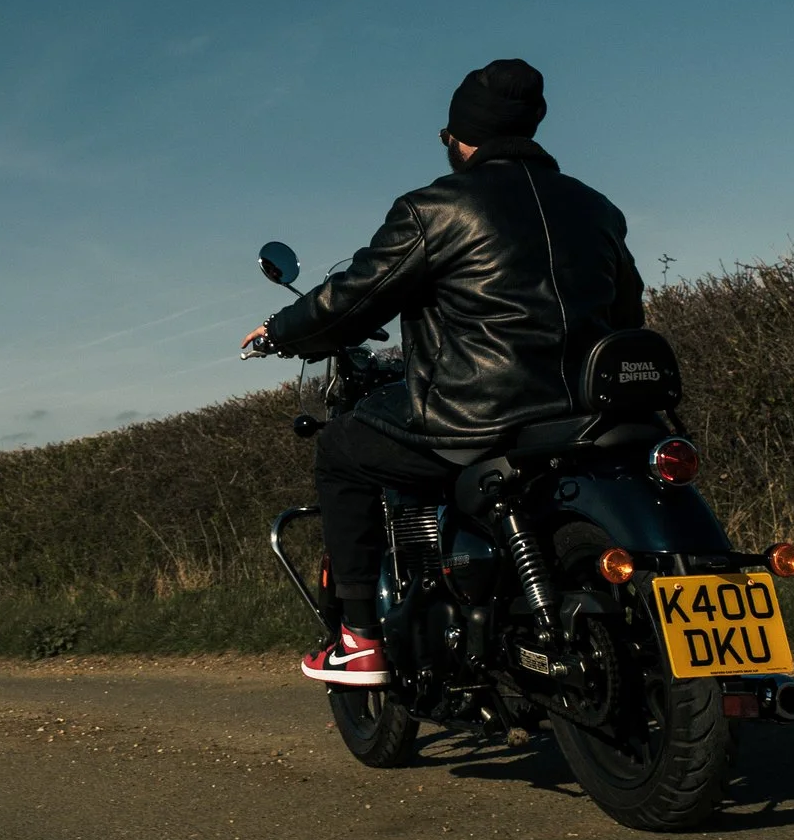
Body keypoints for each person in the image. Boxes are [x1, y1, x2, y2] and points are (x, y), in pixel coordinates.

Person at [241, 58, 645, 686]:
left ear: (460, 138)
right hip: (588, 414)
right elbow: (626, 313)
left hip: (477, 416)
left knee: (341, 448)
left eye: (446, 136)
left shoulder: (434, 208)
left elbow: (350, 300)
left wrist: (279, 331)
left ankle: (359, 639)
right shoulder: (597, 209)